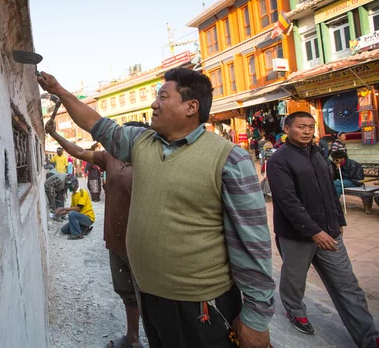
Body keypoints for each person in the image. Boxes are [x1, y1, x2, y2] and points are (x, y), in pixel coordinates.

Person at [38, 68, 274, 348]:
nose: (153, 104)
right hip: (150, 296)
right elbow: (96, 124)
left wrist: (256, 318)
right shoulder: (140, 142)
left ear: (191, 107)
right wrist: (61, 91)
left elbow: (253, 243)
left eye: (163, 96)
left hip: (201, 305)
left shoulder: (229, 159)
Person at [266, 112, 379, 347]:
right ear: (287, 130)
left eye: (311, 127)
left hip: (330, 232)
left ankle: (368, 337)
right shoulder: (279, 160)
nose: (307, 131)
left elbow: (329, 190)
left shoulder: (318, 154)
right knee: (295, 280)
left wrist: (338, 221)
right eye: (301, 127)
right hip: (297, 235)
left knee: (347, 284)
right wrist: (314, 232)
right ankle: (295, 311)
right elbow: (288, 201)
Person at [46, 120, 148, 348]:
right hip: (116, 238)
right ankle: (133, 339)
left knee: (152, 295)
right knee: (127, 293)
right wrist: (54, 134)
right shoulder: (109, 156)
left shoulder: (151, 159)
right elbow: (79, 151)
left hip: (144, 241)